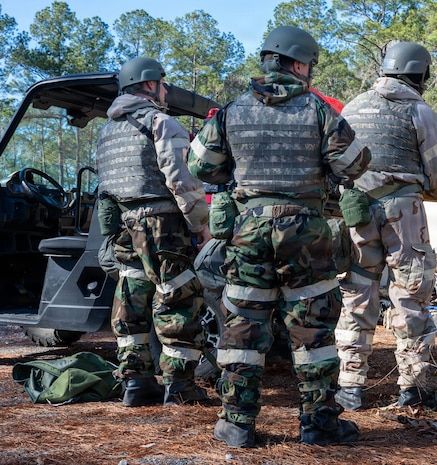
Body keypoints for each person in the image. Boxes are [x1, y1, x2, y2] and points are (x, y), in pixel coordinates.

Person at [187, 25, 371, 448]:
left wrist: (240, 171)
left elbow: (201, 167)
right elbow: (354, 162)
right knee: (312, 329)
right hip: (305, 231)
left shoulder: (232, 111)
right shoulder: (320, 110)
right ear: (301, 64)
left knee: (244, 324)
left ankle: (236, 423)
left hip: (249, 229)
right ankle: (318, 423)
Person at [334, 41, 437, 411]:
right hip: (402, 211)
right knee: (411, 294)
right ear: (419, 74)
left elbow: (338, 162)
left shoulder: (352, 106)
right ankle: (412, 387)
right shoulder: (418, 109)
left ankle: (350, 387)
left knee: (356, 294)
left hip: (354, 209)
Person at [95, 57, 212, 407]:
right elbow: (183, 180)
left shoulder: (107, 132)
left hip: (125, 226)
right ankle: (178, 386)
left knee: (131, 302)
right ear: (149, 85)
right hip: (162, 225)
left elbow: (105, 188)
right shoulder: (161, 123)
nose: (164, 89)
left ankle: (135, 383)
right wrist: (200, 225)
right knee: (177, 298)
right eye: (162, 83)